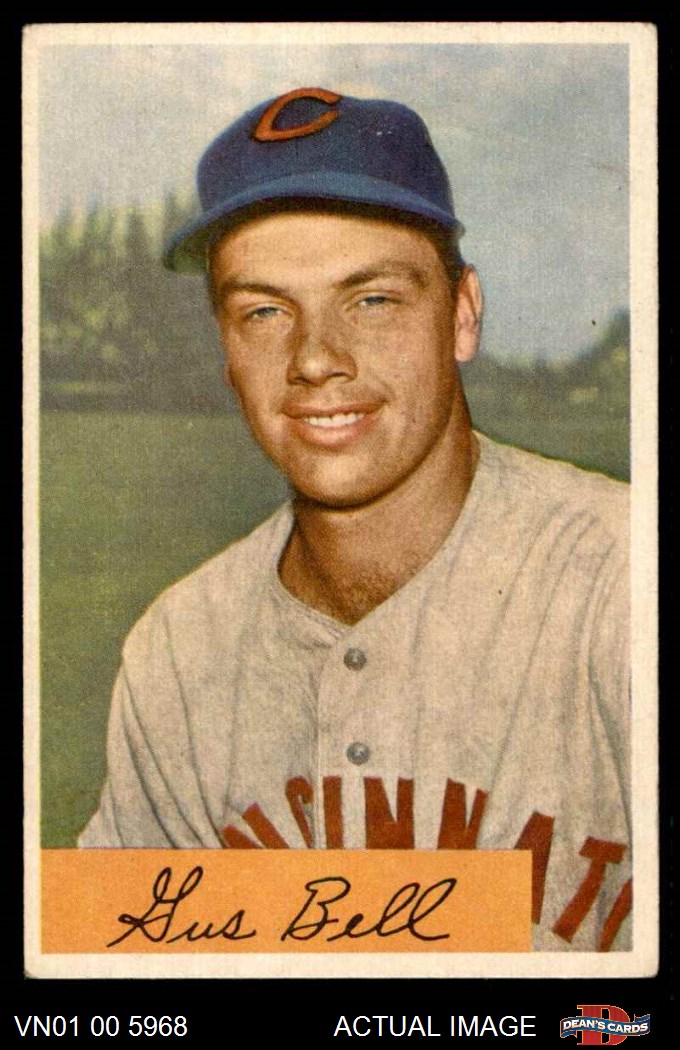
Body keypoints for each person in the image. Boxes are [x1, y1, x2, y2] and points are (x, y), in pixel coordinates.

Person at [79, 88, 631, 952]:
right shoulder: (178, 652)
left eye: (371, 300)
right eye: (264, 311)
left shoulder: (624, 584)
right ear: (226, 352)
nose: (315, 359)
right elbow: (119, 972)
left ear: (462, 315)